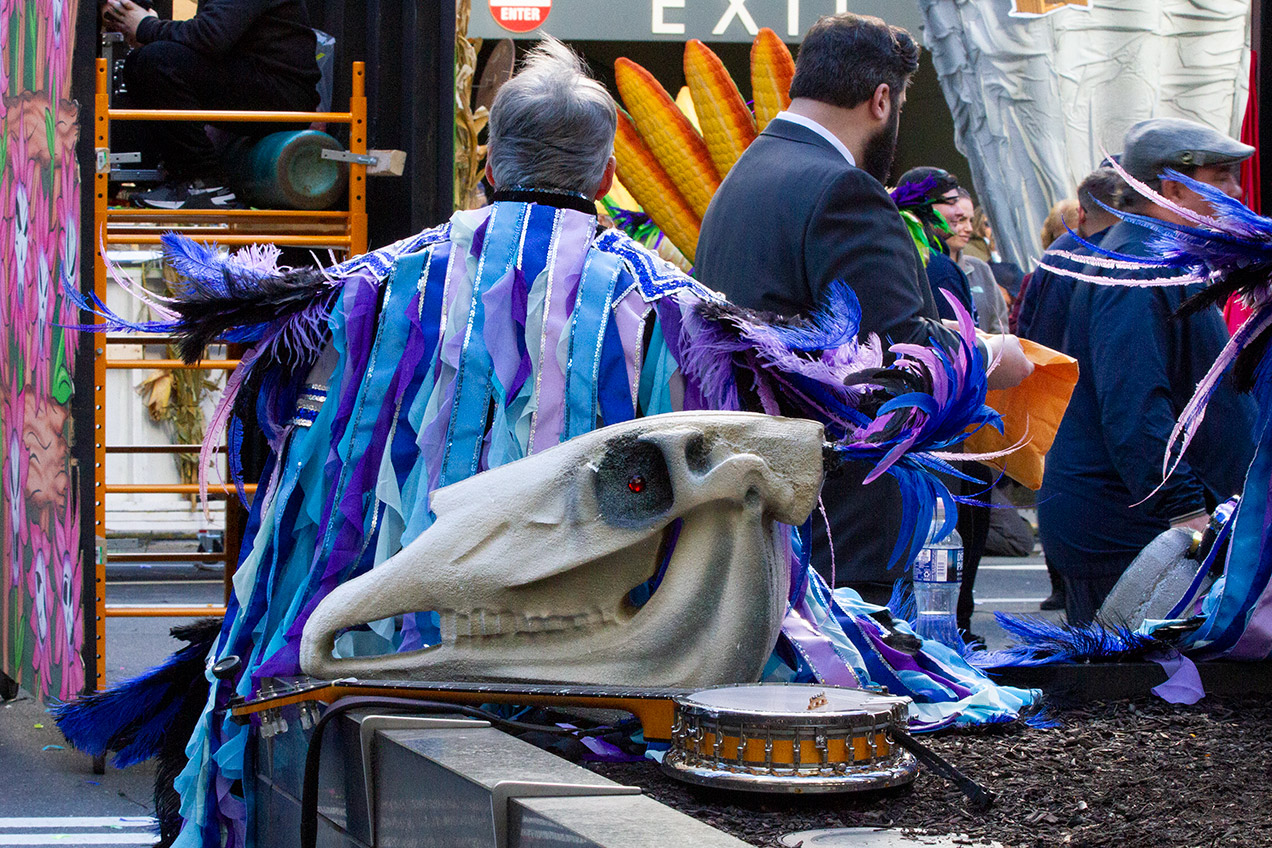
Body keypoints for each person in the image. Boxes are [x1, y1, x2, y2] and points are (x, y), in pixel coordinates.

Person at [60, 37, 1035, 846]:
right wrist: (974, 357)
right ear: (608, 173)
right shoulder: (676, 311)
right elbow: (840, 406)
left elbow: (289, 468)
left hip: (396, 640)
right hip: (606, 652)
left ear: (487, 161)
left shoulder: (371, 290)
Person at [695, 13, 1032, 603]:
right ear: (882, 100)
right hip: (843, 524)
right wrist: (990, 350)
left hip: (771, 511)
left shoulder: (748, 173)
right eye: (899, 102)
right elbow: (898, 354)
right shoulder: (841, 189)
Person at [1038, 118, 1259, 623]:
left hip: (1141, 530)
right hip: (1133, 537)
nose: (1236, 189)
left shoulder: (1152, 254)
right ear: (1173, 186)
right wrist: (1186, 514)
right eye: (1221, 175)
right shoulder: (1140, 265)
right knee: (1141, 694)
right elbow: (1135, 406)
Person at [101, 0, 321, 209]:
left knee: (156, 60)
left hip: (281, 93)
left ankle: (203, 182)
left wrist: (146, 26)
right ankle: (185, 177)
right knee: (142, 61)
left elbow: (212, 35)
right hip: (261, 82)